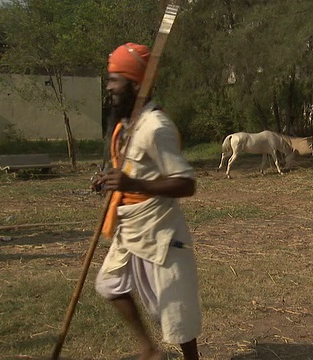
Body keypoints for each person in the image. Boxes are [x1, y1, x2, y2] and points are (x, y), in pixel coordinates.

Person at [92, 42, 202, 360]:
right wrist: (109, 179)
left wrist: (133, 183)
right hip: (129, 225)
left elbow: (186, 183)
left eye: (115, 80)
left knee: (175, 308)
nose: (109, 87)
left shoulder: (157, 128)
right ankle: (149, 349)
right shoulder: (128, 126)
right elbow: (129, 168)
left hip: (159, 228)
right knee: (110, 283)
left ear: (135, 84)